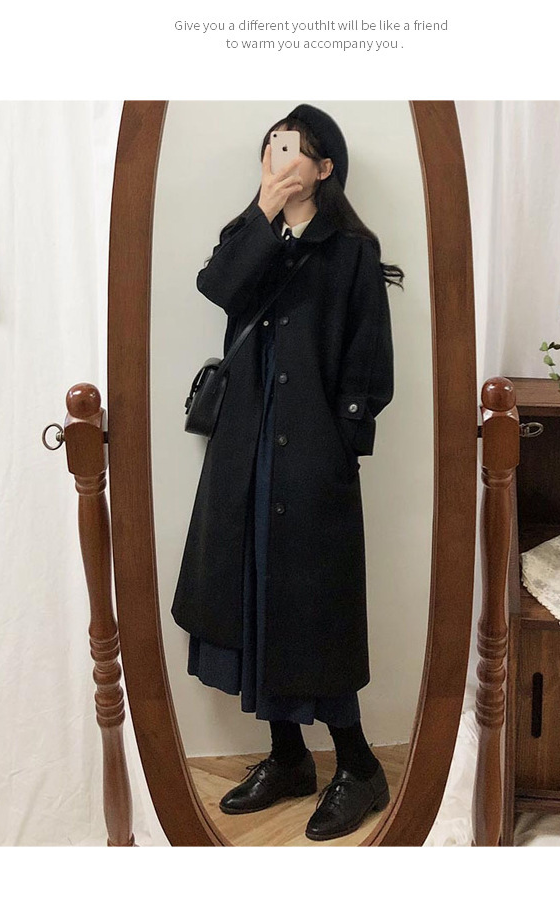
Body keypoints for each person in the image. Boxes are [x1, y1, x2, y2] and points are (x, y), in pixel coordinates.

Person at [171, 104, 402, 841]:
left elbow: (371, 360)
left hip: (311, 458)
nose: (276, 154)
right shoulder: (247, 236)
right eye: (269, 144)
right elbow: (218, 287)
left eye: (292, 147)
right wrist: (263, 213)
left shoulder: (352, 251)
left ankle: (359, 766)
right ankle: (289, 757)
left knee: (314, 614)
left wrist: (341, 449)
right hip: (242, 453)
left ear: (324, 167)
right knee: (252, 601)